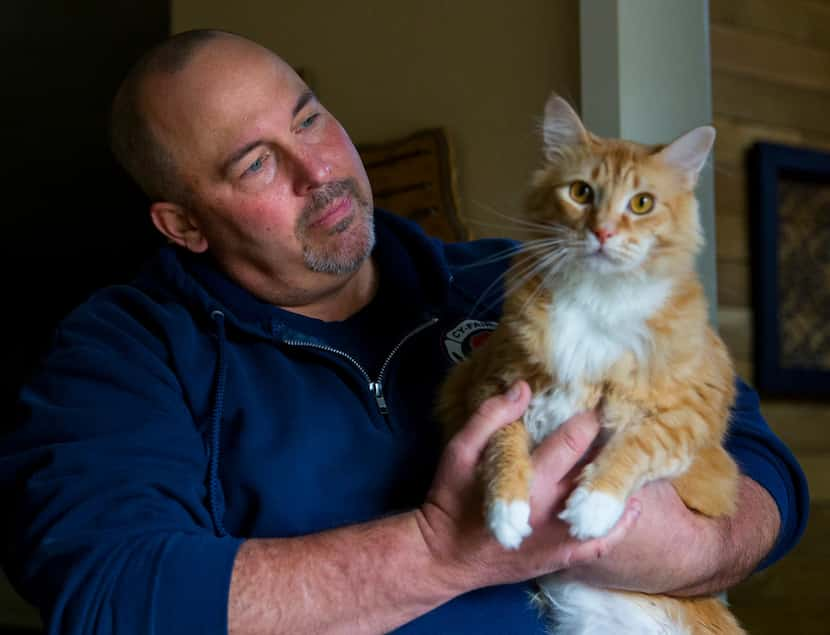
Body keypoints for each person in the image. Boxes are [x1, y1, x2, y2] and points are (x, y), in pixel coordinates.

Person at [0, 29, 808, 634]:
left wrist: (676, 545)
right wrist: (438, 551)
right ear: (183, 225)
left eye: (310, 119)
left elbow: (764, 465)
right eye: (255, 164)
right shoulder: (119, 353)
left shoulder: (516, 274)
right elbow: (105, 592)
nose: (318, 169)